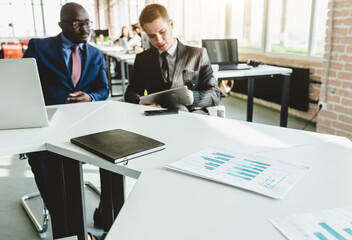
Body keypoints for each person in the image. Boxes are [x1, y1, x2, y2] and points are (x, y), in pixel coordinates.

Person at [23, 2, 108, 239]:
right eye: (77, 23)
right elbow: (23, 83)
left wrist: (89, 96)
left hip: (84, 124)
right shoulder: (39, 47)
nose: (85, 28)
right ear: (61, 24)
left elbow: (104, 89)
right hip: (48, 125)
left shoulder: (95, 54)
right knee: (42, 163)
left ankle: (107, 215)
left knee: (117, 153)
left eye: (87, 22)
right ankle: (69, 231)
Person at [125, 3, 221, 113]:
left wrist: (192, 96)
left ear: (171, 24)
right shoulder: (143, 59)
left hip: (191, 117)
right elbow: (131, 92)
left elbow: (215, 94)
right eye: (152, 36)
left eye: (162, 32)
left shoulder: (198, 54)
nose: (159, 40)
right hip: (156, 117)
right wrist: (141, 103)